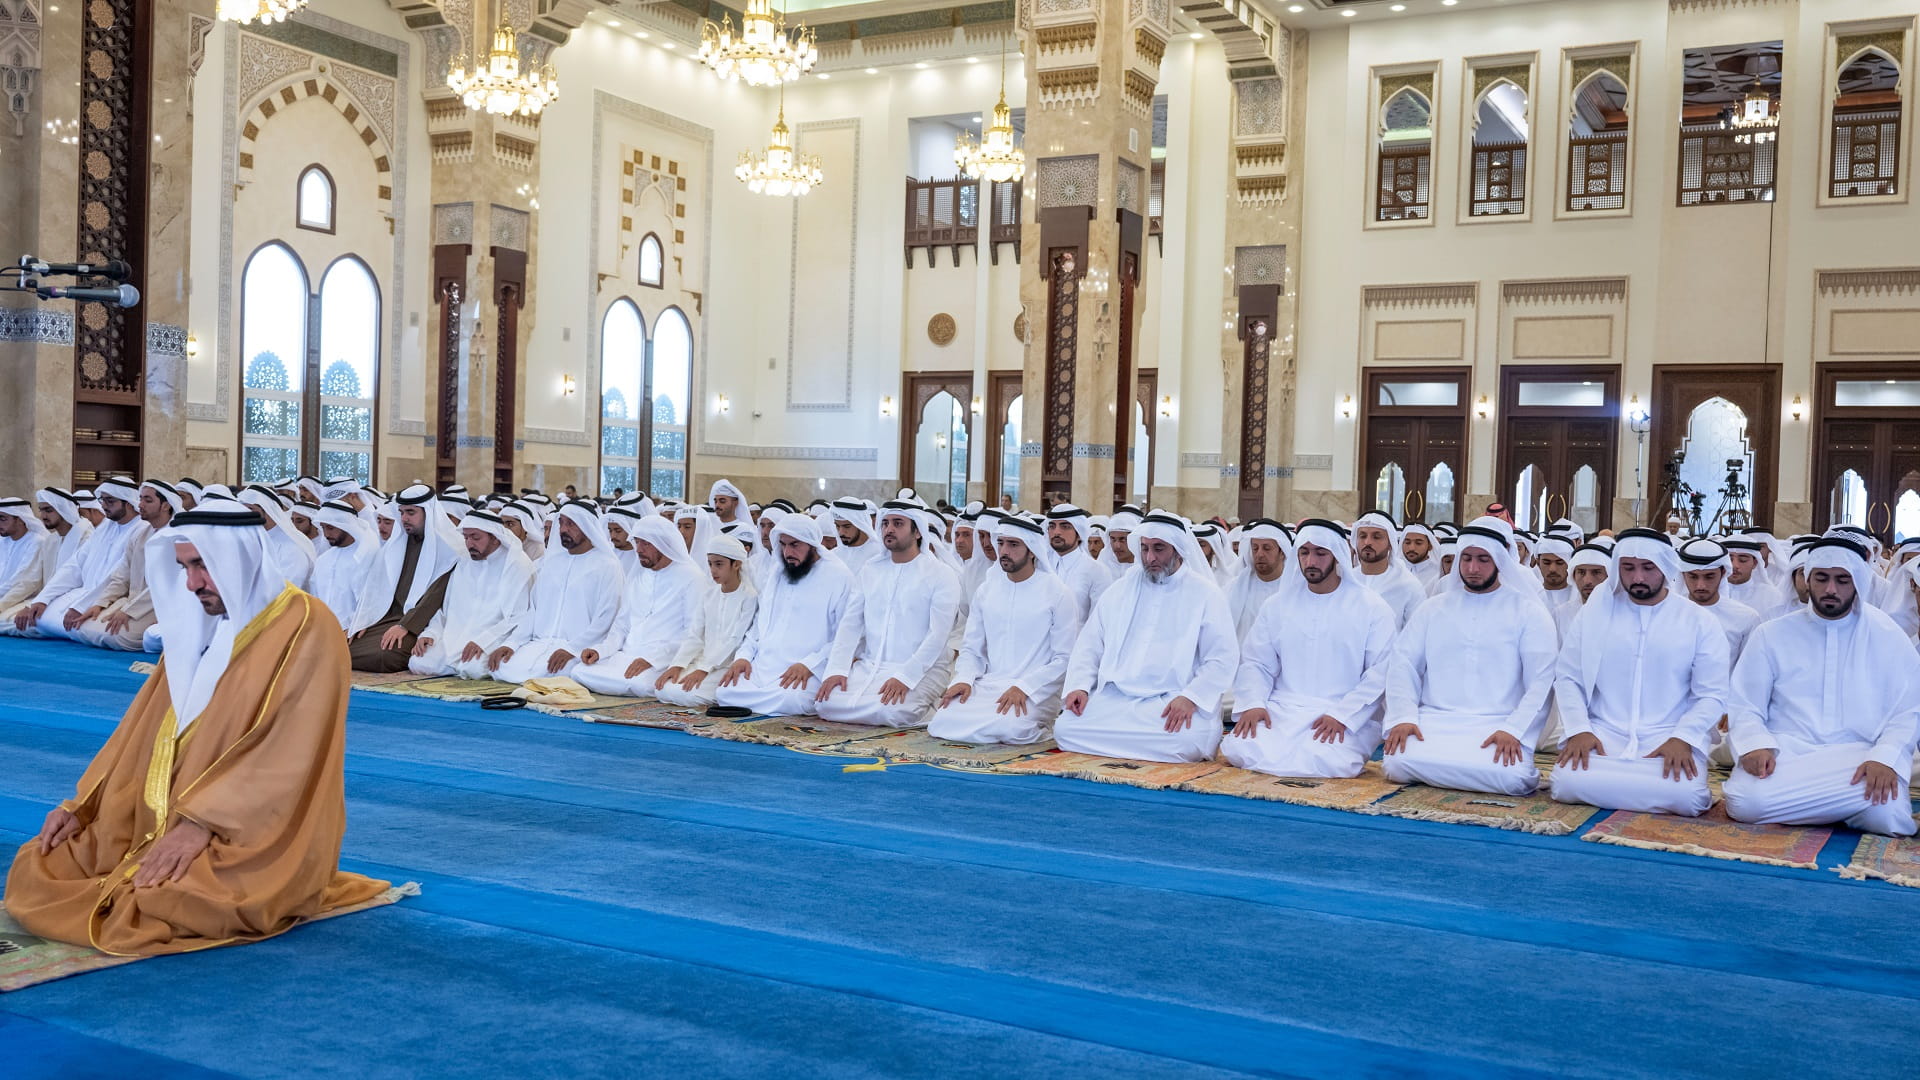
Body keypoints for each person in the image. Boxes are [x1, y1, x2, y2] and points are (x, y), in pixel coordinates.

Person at [5, 503, 391, 955]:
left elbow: (290, 751)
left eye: (203, 566)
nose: (193, 584)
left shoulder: (307, 626)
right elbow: (138, 730)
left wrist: (202, 824)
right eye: (184, 567)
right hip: (158, 816)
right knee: (44, 860)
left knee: (168, 898)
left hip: (252, 829)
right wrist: (83, 804)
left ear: (240, 557)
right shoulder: (196, 623)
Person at [1722, 538, 1920, 836]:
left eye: (1842, 580)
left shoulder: (1888, 635)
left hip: (1861, 756)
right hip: (1786, 753)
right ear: (1807, 579)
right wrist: (1754, 743)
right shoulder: (1772, 634)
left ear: (1858, 582)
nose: (1831, 589)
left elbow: (1908, 710)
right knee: (1746, 803)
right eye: (1822, 578)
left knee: (1888, 815)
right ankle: (1848, 807)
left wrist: (1885, 756)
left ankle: (1811, 805)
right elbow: (1746, 704)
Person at [1549, 530, 1729, 816]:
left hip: (1667, 734)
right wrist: (1579, 729)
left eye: (1648, 568)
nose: (1638, 578)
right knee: (1565, 784)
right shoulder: (1595, 613)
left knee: (1686, 796)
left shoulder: (1699, 621)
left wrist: (1683, 737)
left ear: (1667, 568)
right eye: (1628, 568)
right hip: (1604, 731)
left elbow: (1711, 693)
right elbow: (1569, 676)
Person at [1382, 517, 1557, 796]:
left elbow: (1542, 681)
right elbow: (1403, 665)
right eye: (1467, 559)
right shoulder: (1433, 609)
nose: (1473, 568)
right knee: (1396, 765)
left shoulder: (1528, 612)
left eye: (1483, 559)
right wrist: (1404, 716)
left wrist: (1515, 730)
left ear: (1500, 561)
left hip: (1499, 723)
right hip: (1434, 720)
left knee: (1512, 778)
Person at [1057, 513, 1238, 762]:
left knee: (1186, 741)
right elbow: (1090, 644)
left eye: (1159, 549)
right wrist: (1079, 686)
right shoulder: (1120, 590)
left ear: (1179, 549)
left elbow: (1221, 658)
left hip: (1172, 700)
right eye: (1144, 549)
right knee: (1066, 727)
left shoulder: (1205, 594)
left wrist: (1191, 697)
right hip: (1116, 698)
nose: (1150, 558)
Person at [1225, 520, 1398, 778]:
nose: (1310, 561)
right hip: (1283, 708)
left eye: (1320, 553)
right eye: (1304, 553)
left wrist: (1341, 715)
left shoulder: (1371, 607)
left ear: (1337, 556)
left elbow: (1380, 672)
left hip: (1340, 712)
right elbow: (1256, 662)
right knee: (1240, 747)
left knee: (1327, 759)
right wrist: (1253, 703)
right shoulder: (1278, 605)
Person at [930, 516, 1077, 745]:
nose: (1004, 551)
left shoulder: (1058, 593)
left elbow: (1064, 659)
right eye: (1001, 543)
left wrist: (1024, 687)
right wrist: (965, 679)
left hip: (1036, 689)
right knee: (942, 720)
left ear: (1032, 550)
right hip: (990, 684)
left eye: (1013, 544)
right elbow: (971, 648)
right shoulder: (987, 591)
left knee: (1010, 728)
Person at [815, 502, 963, 727]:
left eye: (898, 523)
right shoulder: (871, 570)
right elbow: (850, 624)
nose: (889, 529)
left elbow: (938, 635)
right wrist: (837, 669)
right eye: (885, 523)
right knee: (826, 703)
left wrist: (906, 677)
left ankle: (929, 708)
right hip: (870, 665)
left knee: (890, 712)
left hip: (923, 668)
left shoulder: (941, 574)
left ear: (917, 532)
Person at [715, 514, 855, 717]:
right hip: (764, 666)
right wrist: (743, 657)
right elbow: (758, 627)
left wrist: (809, 665)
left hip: (806, 668)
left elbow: (845, 637)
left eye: (795, 545)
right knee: (725, 691)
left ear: (812, 544)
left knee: (793, 699)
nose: (788, 552)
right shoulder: (777, 575)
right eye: (783, 545)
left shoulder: (839, 577)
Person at [485, 502, 625, 684]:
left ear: (587, 526)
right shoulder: (550, 563)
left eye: (571, 524)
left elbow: (606, 619)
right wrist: (512, 643)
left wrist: (573, 649)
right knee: (501, 665)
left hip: (579, 646)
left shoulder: (607, 566)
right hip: (539, 644)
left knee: (567, 671)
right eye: (562, 523)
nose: (563, 529)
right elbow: (533, 610)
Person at [574, 515, 704, 697]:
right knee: (578, 671)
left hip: (664, 659)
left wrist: (652, 659)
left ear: (663, 543)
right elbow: (621, 626)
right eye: (637, 543)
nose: (638, 550)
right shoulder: (638, 577)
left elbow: (693, 632)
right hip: (627, 656)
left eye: (646, 544)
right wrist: (600, 650)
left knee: (642, 684)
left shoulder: (691, 577)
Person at [410, 509, 535, 680]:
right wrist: (430, 634)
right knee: (419, 661)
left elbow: (518, 617)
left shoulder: (517, 564)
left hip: (496, 637)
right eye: (466, 538)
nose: (469, 544)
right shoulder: (464, 562)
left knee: (473, 668)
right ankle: (454, 664)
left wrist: (484, 641)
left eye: (476, 538)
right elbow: (447, 609)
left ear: (494, 537)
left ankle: (458, 665)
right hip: (455, 636)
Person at [348, 485, 460, 673]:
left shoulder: (449, 550)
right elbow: (375, 589)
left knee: (385, 655)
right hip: (388, 617)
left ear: (428, 512)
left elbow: (435, 597)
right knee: (343, 644)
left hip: (424, 622)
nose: (404, 519)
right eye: (401, 513)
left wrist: (405, 625)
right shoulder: (397, 544)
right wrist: (363, 620)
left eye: (411, 512)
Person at [654, 534, 761, 709]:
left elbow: (735, 640)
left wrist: (704, 669)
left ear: (736, 564)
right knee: (662, 689)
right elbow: (695, 635)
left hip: (726, 665)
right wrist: (677, 665)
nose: (713, 570)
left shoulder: (749, 596)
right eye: (710, 564)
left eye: (719, 564)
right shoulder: (709, 595)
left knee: (687, 695)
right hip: (703, 661)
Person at [1676, 537, 1762, 658]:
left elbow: (1748, 669)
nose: (1701, 585)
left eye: (1709, 576)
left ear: (1723, 573)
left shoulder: (1746, 618)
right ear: (1683, 574)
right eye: (1693, 577)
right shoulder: (1668, 613)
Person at [310, 500, 385, 635]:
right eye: (323, 527)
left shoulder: (365, 557)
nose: (326, 534)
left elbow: (370, 602)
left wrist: (352, 625)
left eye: (331, 528)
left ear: (346, 525)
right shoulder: (323, 560)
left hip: (356, 631)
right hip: (321, 631)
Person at [1349, 511, 1428, 628]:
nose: (1367, 542)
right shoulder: (1347, 580)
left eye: (1376, 537)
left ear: (1390, 543)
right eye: (1363, 536)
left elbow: (1415, 633)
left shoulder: (1409, 585)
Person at [1225, 518, 1292, 641]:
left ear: (1282, 552)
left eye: (1267, 548)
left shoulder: (1294, 590)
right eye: (1255, 548)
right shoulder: (1232, 588)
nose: (1259, 554)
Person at [1045, 504, 1114, 620]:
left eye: (1065, 527)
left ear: (1079, 533)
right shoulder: (1039, 566)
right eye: (1052, 526)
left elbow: (1098, 621)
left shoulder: (1098, 571)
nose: (1056, 532)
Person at [0, 496, 62, 621]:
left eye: (3, 519)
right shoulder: (3, 540)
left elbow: (26, 583)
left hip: (24, 599)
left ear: (21, 520)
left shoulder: (37, 542)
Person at [35, 486, 93, 568]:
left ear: (64, 510)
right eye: (41, 510)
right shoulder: (50, 541)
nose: (43, 516)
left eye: (48, 510)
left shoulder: (86, 538)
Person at [827, 498, 880, 567]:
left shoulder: (878, 554)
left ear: (860, 524)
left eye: (847, 526)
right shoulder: (833, 556)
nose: (841, 532)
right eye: (837, 526)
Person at [1533, 534, 1579, 610]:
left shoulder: (1580, 597)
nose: (1552, 569)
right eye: (1546, 563)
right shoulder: (1531, 597)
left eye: (1560, 563)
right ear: (1538, 563)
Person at [1401, 523, 1441, 589]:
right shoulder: (1394, 570)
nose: (1411, 548)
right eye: (1407, 542)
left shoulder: (1437, 574)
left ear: (1430, 546)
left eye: (1418, 543)